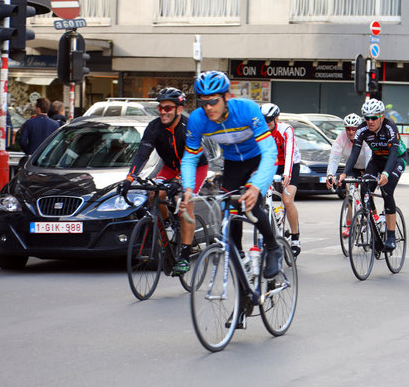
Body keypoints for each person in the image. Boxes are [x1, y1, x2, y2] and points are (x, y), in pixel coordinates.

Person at [179, 70, 282, 291]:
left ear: (226, 97)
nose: (208, 108)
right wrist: (188, 188)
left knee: (249, 202)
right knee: (229, 209)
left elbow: (269, 151)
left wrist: (256, 186)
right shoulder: (198, 119)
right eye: (203, 102)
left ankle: (273, 247)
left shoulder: (247, 110)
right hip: (233, 164)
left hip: (258, 159)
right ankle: (241, 271)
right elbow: (189, 158)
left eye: (213, 101)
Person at [118, 87, 209, 276]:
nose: (162, 111)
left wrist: (178, 181)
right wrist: (129, 178)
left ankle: (184, 255)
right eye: (160, 107)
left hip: (195, 168)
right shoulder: (154, 127)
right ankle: (169, 224)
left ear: (178, 109)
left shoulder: (189, 127)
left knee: (185, 202)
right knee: (154, 193)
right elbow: (142, 155)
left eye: (168, 108)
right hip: (170, 167)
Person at [338, 98, 406, 251]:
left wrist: (386, 173)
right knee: (364, 191)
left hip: (396, 160)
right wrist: (344, 173)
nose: (370, 121)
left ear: (381, 117)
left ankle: (390, 235)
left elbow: (394, 153)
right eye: (367, 118)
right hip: (377, 160)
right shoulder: (362, 130)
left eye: (373, 117)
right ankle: (375, 224)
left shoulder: (390, 127)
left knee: (387, 191)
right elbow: (355, 152)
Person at [261, 102, 302, 257]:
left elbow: (290, 153)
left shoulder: (285, 130)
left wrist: (287, 174)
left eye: (269, 121)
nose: (266, 124)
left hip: (289, 163)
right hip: (272, 163)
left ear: (276, 119)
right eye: (263, 120)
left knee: (287, 200)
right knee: (261, 195)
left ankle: (295, 238)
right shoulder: (259, 130)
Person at [326, 113, 372, 238]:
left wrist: (368, 175)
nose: (351, 132)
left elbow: (369, 156)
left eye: (354, 129)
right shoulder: (341, 137)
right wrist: (330, 174)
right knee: (349, 193)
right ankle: (348, 225)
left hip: (369, 166)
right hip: (353, 167)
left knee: (367, 192)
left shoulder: (366, 136)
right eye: (348, 129)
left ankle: (374, 218)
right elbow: (334, 157)